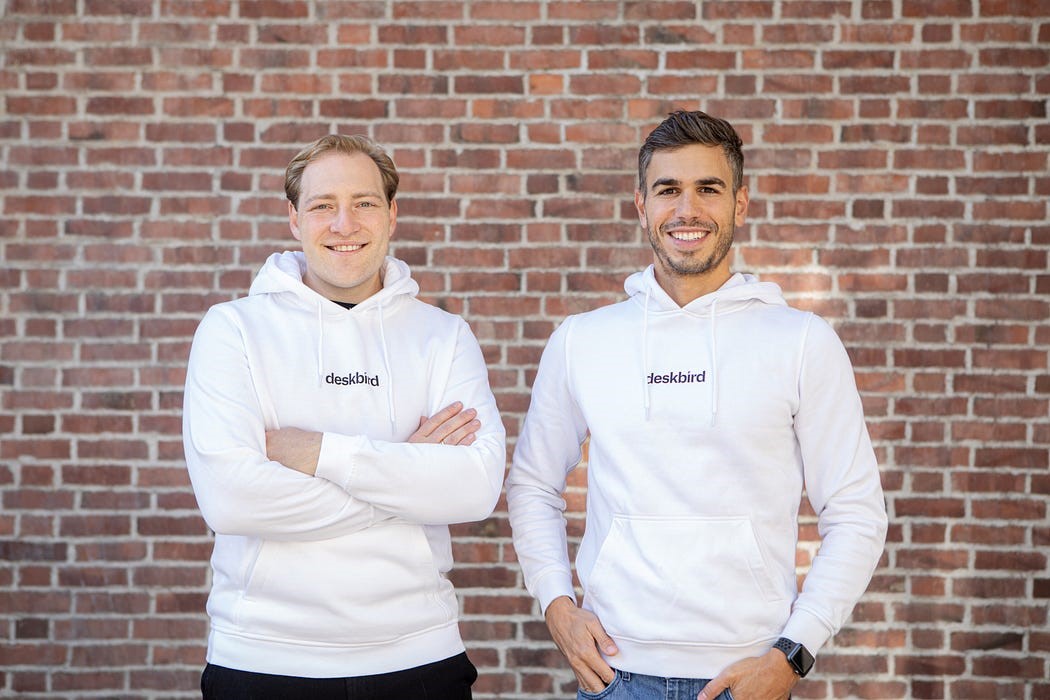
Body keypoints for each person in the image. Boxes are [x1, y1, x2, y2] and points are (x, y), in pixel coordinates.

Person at [506, 111, 887, 700]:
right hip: (615, 675)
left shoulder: (801, 342)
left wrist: (793, 654)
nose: (687, 210)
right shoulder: (583, 340)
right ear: (641, 206)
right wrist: (557, 604)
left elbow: (857, 512)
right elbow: (532, 484)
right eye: (668, 190)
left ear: (740, 204)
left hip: (747, 675)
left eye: (708, 189)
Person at [182, 134, 506, 699]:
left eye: (364, 203)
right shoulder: (232, 330)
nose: (344, 224)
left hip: (420, 654)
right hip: (262, 656)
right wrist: (407, 470)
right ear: (294, 219)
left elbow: (474, 489)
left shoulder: (442, 336)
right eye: (322, 205)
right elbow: (231, 500)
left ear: (392, 214)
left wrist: (319, 453)